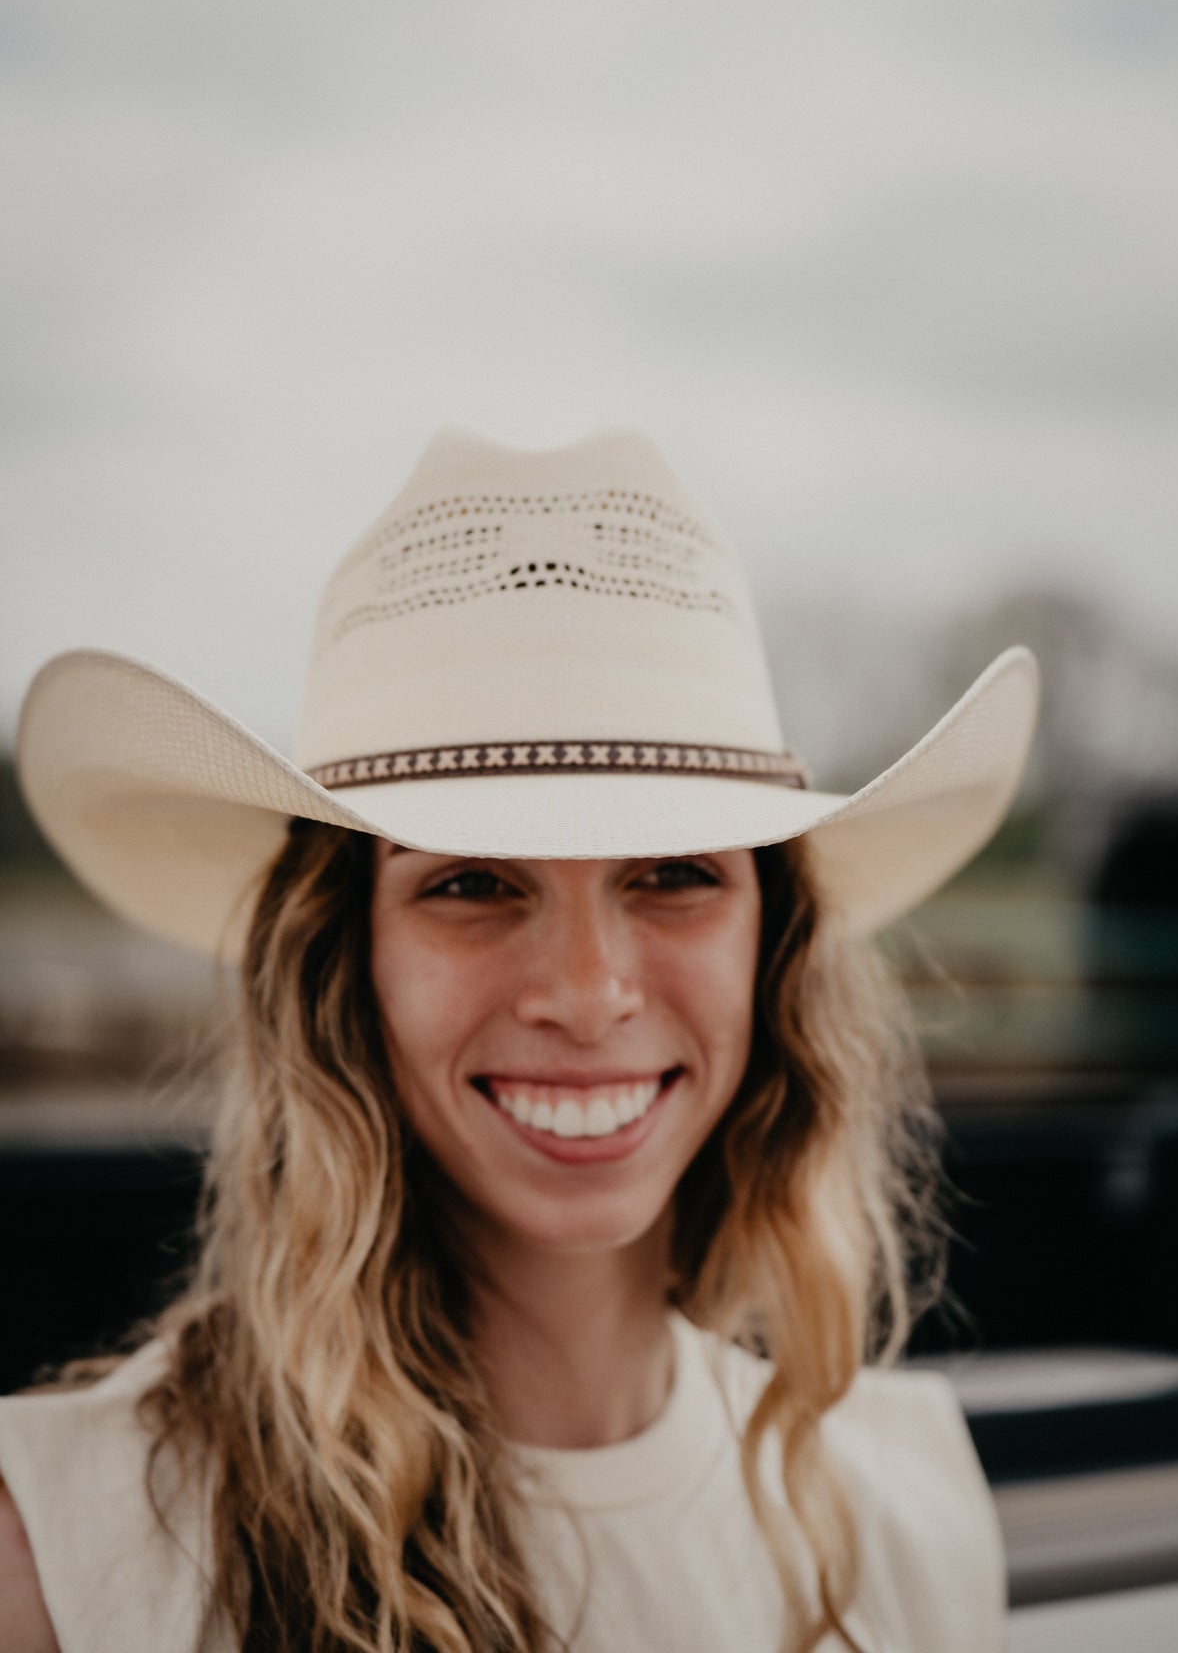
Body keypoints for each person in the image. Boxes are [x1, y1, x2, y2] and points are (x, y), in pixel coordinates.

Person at [0, 426, 1039, 1653]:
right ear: (347, 959)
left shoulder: (907, 1515)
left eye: (672, 872)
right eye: (477, 883)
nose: (589, 993)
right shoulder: (71, 1550)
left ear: (774, 939)